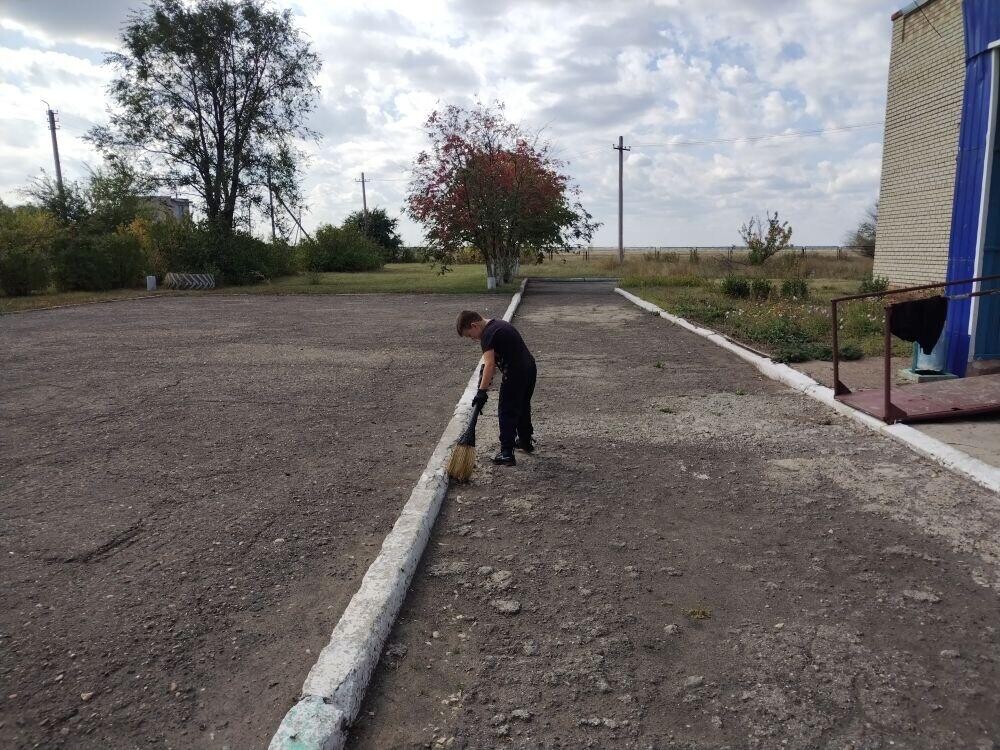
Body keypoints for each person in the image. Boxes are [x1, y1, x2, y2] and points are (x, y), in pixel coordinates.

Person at [456, 310, 537, 466]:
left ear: (474, 325)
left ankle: (506, 452)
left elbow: (490, 364)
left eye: (470, 335)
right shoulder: (498, 325)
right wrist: (483, 381)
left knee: (506, 410)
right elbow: (489, 365)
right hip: (529, 369)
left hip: (515, 374)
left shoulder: (487, 335)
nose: (473, 339)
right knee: (522, 406)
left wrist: (481, 392)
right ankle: (526, 441)